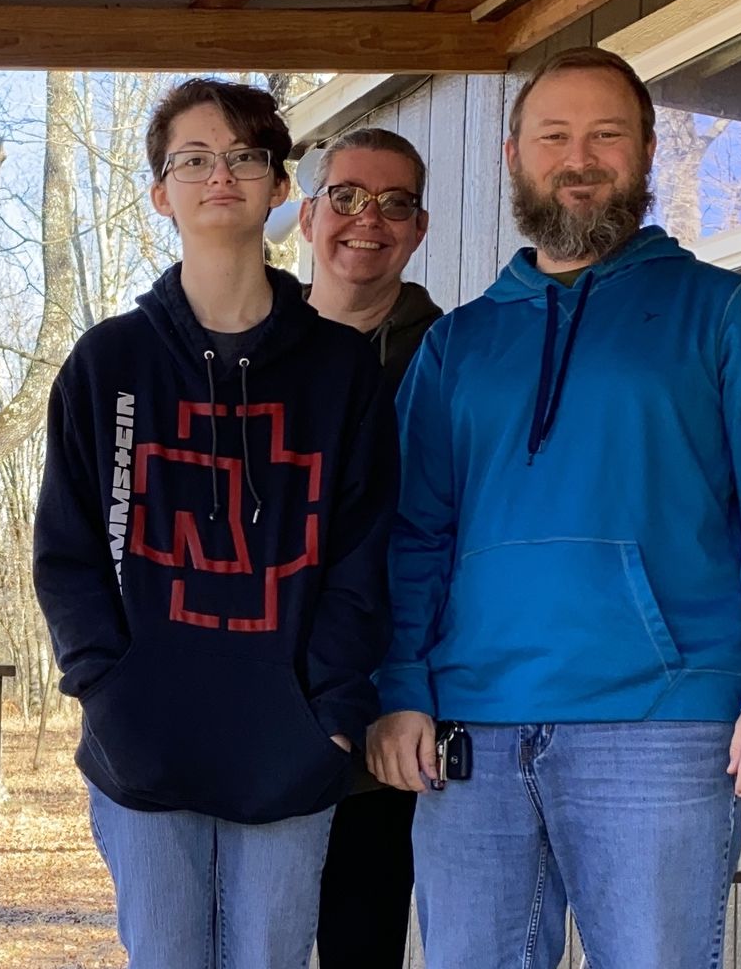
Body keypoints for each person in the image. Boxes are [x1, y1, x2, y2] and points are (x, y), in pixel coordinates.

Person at [369, 47, 741, 968]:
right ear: (513, 155)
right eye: (554, 136)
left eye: (605, 135)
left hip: (662, 724)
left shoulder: (726, 314)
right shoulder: (457, 346)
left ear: (647, 152)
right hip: (472, 733)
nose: (578, 158)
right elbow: (415, 536)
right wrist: (400, 689)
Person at [34, 78, 397, 969]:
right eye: (192, 159)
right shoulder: (108, 361)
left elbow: (364, 555)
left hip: (291, 739)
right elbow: (67, 553)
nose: (219, 175)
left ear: (281, 188)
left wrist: (333, 715)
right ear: (162, 193)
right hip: (143, 735)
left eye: (243, 156)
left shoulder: (343, 371)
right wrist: (104, 685)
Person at [298, 128, 443, 968]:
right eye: (347, 197)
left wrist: (406, 689)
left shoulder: (451, 358)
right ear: (311, 214)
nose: (368, 219)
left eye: (394, 204)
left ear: (418, 229)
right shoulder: (254, 352)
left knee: (361, 937)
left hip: (390, 709)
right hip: (260, 705)